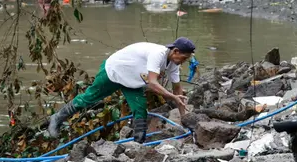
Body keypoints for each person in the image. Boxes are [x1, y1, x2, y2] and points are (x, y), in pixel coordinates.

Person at [48, 37, 196, 143]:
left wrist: (184, 119)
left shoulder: (173, 65)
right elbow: (152, 83)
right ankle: (58, 117)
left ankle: (139, 142)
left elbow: (178, 90)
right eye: (184, 57)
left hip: (132, 80)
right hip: (114, 71)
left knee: (140, 109)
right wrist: (172, 97)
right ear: (175, 51)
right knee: (89, 98)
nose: (184, 61)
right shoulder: (158, 54)